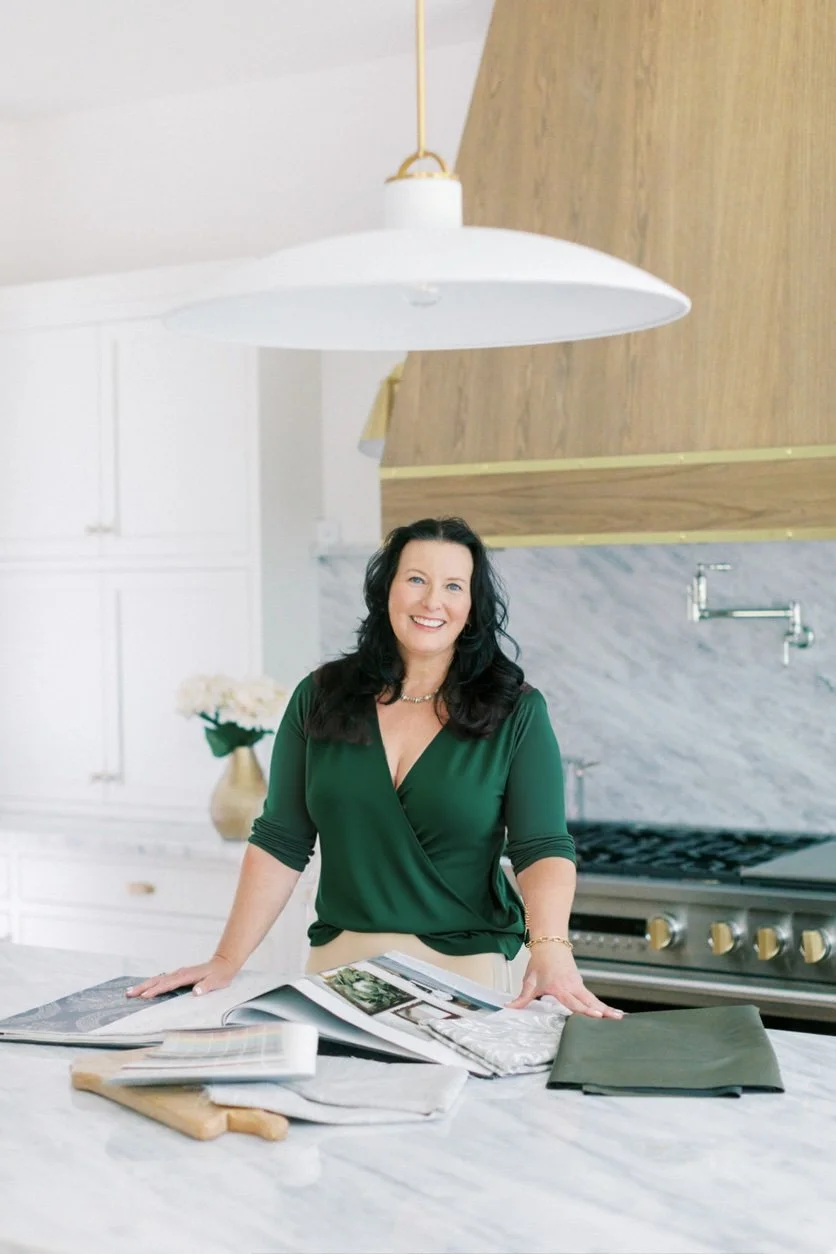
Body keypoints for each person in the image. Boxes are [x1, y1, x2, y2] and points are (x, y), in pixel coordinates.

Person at [128, 517, 622, 1019]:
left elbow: (541, 846)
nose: (433, 601)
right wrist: (226, 958)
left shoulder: (516, 711)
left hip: (466, 978)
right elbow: (281, 840)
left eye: (454, 586)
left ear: (472, 607)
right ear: (386, 589)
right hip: (335, 971)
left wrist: (552, 947)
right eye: (416, 580)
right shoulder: (319, 697)